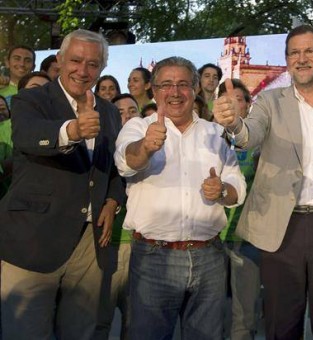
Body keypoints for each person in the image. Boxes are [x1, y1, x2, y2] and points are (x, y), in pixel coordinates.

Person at [214, 24, 313, 340]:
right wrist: (234, 124)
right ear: (287, 60)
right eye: (294, 52)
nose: (302, 59)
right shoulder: (269, 102)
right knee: (281, 323)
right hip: (282, 228)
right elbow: (251, 134)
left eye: (310, 51)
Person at [0, 29, 125, 339]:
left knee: (80, 332)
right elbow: (28, 138)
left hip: (90, 243)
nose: (83, 71)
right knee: (25, 332)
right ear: (59, 60)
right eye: (76, 60)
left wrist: (112, 200)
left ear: (102, 68)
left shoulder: (109, 111)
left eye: (93, 64)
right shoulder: (31, 99)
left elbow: (112, 167)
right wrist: (72, 129)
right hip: (34, 238)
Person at [114, 56, 246, 339]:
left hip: (209, 257)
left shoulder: (216, 133)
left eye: (183, 84)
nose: (175, 92)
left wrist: (221, 190)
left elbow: (237, 187)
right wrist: (147, 147)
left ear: (196, 89)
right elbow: (127, 162)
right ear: (153, 90)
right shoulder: (137, 128)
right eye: (166, 85)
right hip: (153, 259)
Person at [217, 78, 262, 340]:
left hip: (247, 239)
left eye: (238, 99)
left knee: (243, 313)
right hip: (211, 237)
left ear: (248, 105)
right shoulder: (208, 137)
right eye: (225, 98)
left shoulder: (261, 139)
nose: (231, 104)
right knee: (209, 310)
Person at [94, 93, 140, 339]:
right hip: (105, 245)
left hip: (140, 247)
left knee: (135, 324)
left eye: (132, 111)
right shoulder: (98, 149)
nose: (126, 116)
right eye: (119, 112)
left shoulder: (151, 151)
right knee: (100, 320)